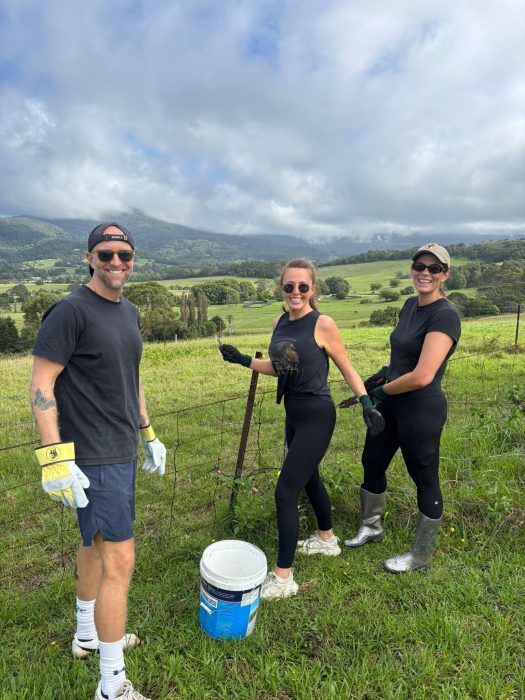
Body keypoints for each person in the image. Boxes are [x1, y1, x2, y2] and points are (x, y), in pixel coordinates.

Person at [30, 222, 166, 700]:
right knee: (120, 560)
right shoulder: (70, 311)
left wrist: (148, 432)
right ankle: (112, 684)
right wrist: (54, 459)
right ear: (89, 257)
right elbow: (41, 386)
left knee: (94, 543)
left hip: (122, 448)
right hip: (94, 455)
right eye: (106, 254)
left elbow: (132, 376)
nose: (116, 263)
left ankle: (86, 633)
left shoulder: (128, 311)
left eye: (124, 255)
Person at [219, 258, 384, 599]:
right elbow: (282, 367)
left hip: (317, 415)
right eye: (289, 286)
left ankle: (283, 578)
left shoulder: (322, 324)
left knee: (285, 492)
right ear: (282, 288)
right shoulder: (281, 320)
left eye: (303, 287)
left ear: (313, 289)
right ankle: (326, 539)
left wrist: (366, 402)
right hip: (293, 414)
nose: (296, 292)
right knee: (309, 478)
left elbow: (347, 367)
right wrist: (241, 360)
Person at [344, 243, 461, 573]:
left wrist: (381, 389)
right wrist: (380, 375)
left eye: (434, 268)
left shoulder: (445, 316)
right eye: (419, 265)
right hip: (391, 404)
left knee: (424, 477)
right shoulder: (410, 305)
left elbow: (423, 375)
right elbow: (401, 357)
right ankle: (371, 526)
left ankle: (420, 556)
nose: (425, 272)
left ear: (445, 275)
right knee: (372, 460)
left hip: (420, 410)